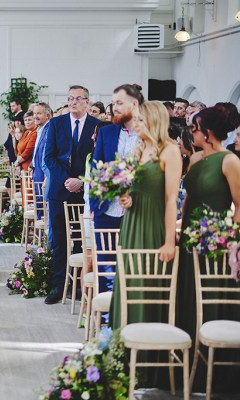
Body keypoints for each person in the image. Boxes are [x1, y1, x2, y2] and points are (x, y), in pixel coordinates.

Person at [176, 107, 240, 393]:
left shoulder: (230, 161)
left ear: (208, 132)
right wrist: (179, 229)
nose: (191, 133)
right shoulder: (197, 158)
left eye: (195, 129)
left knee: (210, 298)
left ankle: (214, 369)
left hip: (215, 243)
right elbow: (189, 198)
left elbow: (239, 206)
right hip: (189, 238)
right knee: (188, 294)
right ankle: (186, 362)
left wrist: (228, 238)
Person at [110, 101, 182, 329]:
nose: (134, 124)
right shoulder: (138, 149)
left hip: (152, 226)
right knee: (129, 281)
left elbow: (171, 199)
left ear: (154, 121)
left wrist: (170, 241)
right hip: (131, 224)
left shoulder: (170, 151)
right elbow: (132, 189)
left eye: (140, 119)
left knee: (145, 282)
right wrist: (126, 197)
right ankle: (123, 346)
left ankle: (147, 353)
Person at [43, 85, 100, 304]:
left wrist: (81, 181)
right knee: (59, 239)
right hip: (60, 189)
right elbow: (49, 157)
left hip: (84, 191)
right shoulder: (56, 123)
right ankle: (58, 285)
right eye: (70, 98)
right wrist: (67, 180)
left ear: (87, 101)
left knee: (82, 240)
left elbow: (98, 159)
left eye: (77, 99)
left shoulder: (97, 126)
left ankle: (79, 285)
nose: (73, 102)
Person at [91, 84, 143, 292]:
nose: (114, 108)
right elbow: (96, 169)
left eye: (119, 103)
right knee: (106, 264)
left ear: (134, 104)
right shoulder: (107, 133)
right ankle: (106, 318)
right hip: (107, 209)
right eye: (113, 104)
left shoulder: (148, 133)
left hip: (138, 211)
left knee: (133, 266)